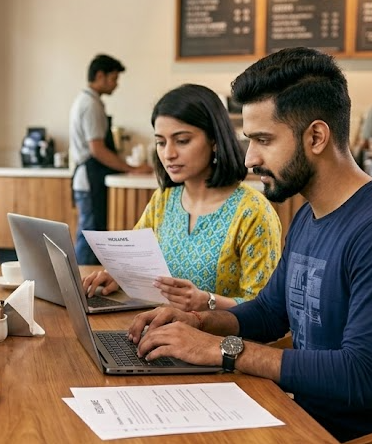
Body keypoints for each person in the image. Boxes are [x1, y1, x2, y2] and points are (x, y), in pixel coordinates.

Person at [129, 47, 372, 442]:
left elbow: (363, 378)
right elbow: (269, 313)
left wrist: (221, 350)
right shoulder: (310, 215)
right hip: (303, 420)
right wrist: (197, 323)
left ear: (316, 136)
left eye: (263, 139)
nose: (249, 159)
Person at [81, 84, 281, 311]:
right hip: (159, 331)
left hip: (217, 342)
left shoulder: (253, 211)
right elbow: (136, 265)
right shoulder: (163, 200)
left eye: (182, 140)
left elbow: (265, 310)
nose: (169, 154)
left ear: (214, 141)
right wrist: (117, 276)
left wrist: (207, 302)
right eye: (161, 142)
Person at [70, 54, 142, 265]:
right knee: (91, 236)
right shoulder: (91, 105)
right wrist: (130, 168)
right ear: (100, 76)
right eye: (113, 79)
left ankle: (82, 285)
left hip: (87, 177)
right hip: (89, 178)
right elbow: (98, 149)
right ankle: (81, 287)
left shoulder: (86, 101)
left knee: (89, 234)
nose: (116, 85)